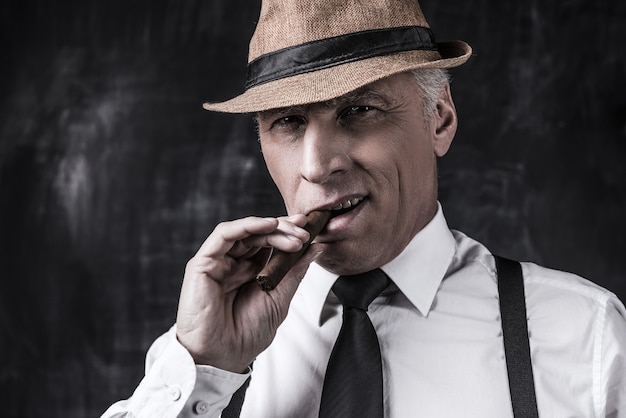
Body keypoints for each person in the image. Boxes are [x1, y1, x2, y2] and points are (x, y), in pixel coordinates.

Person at [102, 0, 626, 417]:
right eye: (286, 122)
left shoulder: (584, 337)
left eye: (357, 110)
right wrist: (204, 366)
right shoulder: (208, 358)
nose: (315, 165)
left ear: (439, 119)